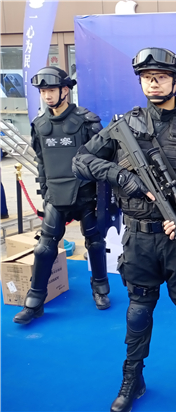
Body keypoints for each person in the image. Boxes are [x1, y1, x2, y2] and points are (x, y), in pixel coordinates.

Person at [72, 47, 176, 412]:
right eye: (146, 77)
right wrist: (120, 175)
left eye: (160, 76)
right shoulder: (123, 127)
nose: (152, 82)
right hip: (139, 239)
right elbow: (81, 161)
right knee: (139, 310)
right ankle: (133, 377)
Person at [13, 66, 110, 325]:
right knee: (44, 249)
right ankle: (34, 302)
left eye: (51, 90)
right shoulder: (39, 124)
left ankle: (100, 289)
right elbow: (41, 162)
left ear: (65, 90)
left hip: (87, 195)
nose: (46, 95)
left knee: (95, 243)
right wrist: (45, 192)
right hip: (56, 196)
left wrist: (103, 199)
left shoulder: (87, 121)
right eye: (42, 91)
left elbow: (103, 161)